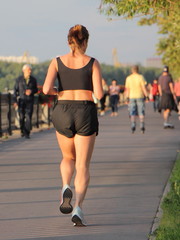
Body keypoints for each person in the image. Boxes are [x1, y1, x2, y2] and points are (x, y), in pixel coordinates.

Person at [43, 24, 103, 226]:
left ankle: (65, 185)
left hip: (63, 110)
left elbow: (45, 89)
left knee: (67, 157)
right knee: (82, 164)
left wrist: (59, 92)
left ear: (69, 41)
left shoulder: (57, 61)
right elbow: (100, 94)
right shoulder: (92, 62)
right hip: (85, 110)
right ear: (84, 41)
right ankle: (78, 207)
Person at [13, 64, 38, 139]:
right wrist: (15, 101)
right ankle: (22, 130)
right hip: (21, 101)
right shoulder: (19, 79)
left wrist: (31, 91)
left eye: (30, 70)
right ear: (23, 71)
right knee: (21, 117)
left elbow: (36, 89)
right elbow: (15, 91)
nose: (30, 71)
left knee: (28, 117)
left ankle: (27, 132)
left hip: (30, 101)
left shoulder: (33, 79)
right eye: (28, 70)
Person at [125, 65, 148, 133]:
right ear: (138, 70)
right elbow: (143, 87)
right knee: (141, 112)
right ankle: (142, 126)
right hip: (140, 96)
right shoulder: (141, 77)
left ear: (132, 70)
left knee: (132, 112)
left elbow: (127, 89)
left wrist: (127, 97)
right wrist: (146, 96)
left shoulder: (128, 78)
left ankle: (133, 126)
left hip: (131, 96)